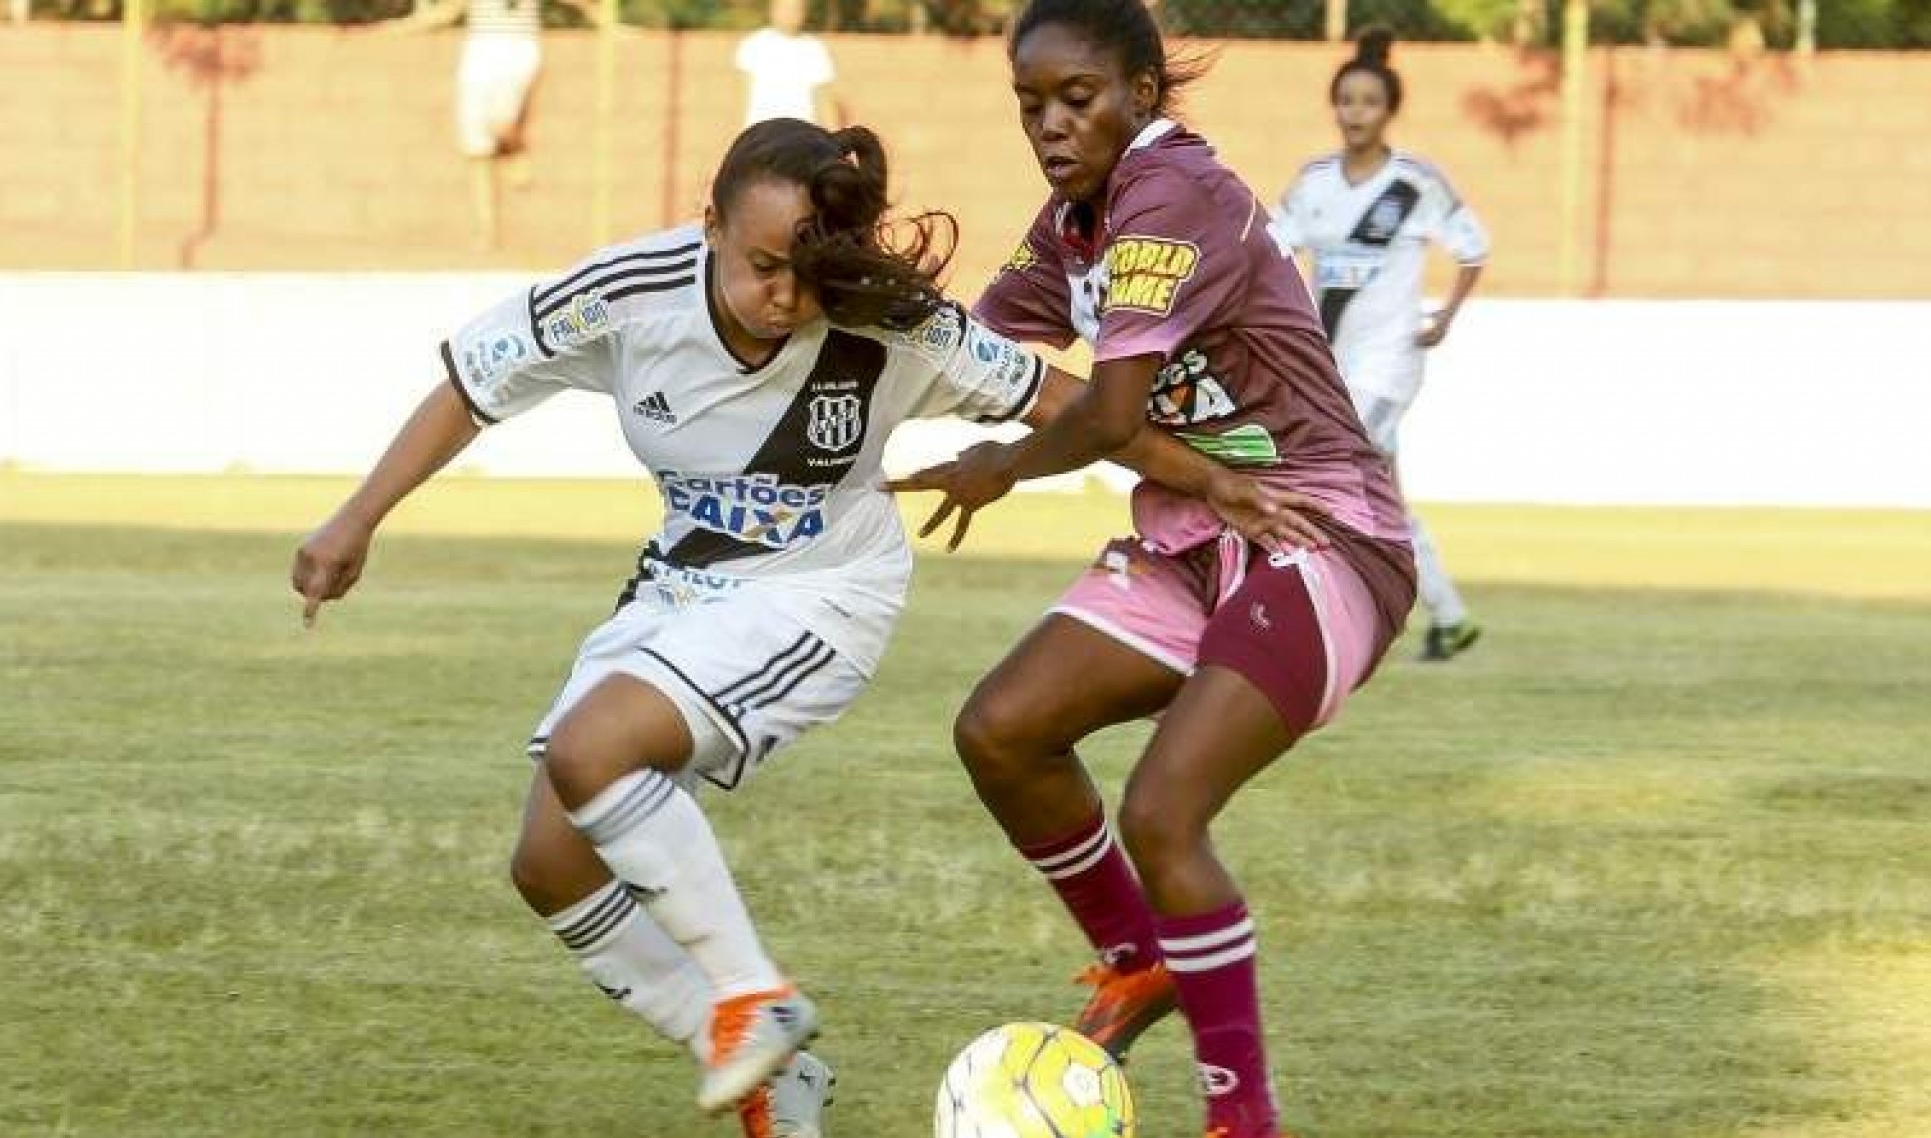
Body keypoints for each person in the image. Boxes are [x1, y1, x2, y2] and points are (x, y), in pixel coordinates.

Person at [291, 117, 1313, 1138]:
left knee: (591, 747)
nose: (785, 296)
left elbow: (1071, 403)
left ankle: (754, 997)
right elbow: (472, 388)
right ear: (710, 229)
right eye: (762, 266)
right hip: (681, 585)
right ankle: (769, 1073)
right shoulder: (627, 293)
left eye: (807, 271)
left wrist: (1218, 480)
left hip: (823, 590)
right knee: (550, 861)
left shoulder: (890, 323)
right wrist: (356, 515)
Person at [885, 3, 1417, 1136]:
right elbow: (978, 343)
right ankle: (1141, 963)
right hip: (1192, 535)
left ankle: (1244, 1118)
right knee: (1002, 730)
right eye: (1030, 104)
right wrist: (860, 303)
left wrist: (1002, 466)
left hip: (1321, 532)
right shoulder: (1074, 221)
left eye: (1076, 98)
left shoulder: (1171, 194)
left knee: (1165, 810)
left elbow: (1109, 409)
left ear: (1140, 91)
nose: (1050, 124)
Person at [1275, 28, 1490, 661]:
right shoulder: (1314, 181)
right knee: (1381, 496)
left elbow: (1473, 248)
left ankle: (1303, 617)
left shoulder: (1414, 182)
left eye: (1368, 102)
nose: (1355, 114)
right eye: (1346, 101)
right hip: (1329, 366)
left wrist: (1445, 316)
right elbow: (1269, 248)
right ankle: (1449, 616)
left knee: (1322, 473)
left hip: (1391, 362)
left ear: (1388, 109)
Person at [390, 0, 603, 251]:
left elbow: (584, 4)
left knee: (501, 123)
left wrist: (609, 25)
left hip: (518, 49)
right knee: (476, 147)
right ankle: (487, 228)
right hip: (480, 49)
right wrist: (405, 27)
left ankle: (514, 147)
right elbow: (448, 12)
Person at [736, 0, 843, 128]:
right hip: (761, 134)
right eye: (785, 8)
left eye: (796, 9)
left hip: (802, 134)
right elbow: (742, 98)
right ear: (773, 10)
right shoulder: (753, 45)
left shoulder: (816, 49)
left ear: (804, 13)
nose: (790, 14)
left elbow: (825, 101)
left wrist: (835, 141)